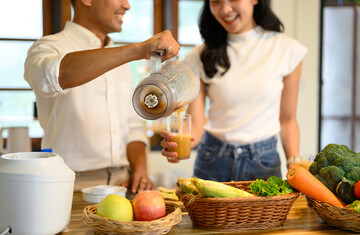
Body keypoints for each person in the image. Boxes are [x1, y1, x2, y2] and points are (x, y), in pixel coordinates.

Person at [24, 0, 180, 192]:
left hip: (123, 183)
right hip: (70, 186)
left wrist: (140, 170)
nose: (127, 6)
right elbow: (56, 76)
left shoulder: (122, 60)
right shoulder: (47, 47)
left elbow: (133, 128)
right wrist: (136, 50)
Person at [160, 0, 307, 182]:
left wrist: (294, 162)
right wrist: (179, 145)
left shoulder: (287, 50)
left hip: (263, 162)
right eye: (216, 2)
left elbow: (287, 120)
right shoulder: (199, 56)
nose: (225, 9)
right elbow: (196, 124)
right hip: (212, 160)